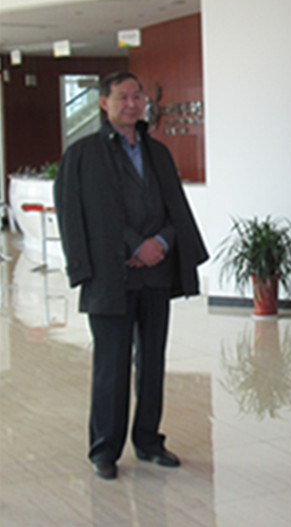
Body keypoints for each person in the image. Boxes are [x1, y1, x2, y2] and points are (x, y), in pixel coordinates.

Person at [54, 71, 208, 480]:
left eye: (137, 96)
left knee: (153, 362)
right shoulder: (83, 155)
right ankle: (104, 448)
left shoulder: (158, 153)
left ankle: (149, 441)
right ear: (103, 103)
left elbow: (176, 209)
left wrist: (162, 242)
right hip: (111, 276)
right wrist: (134, 246)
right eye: (122, 96)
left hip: (155, 272)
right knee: (112, 365)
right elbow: (77, 215)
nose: (132, 103)